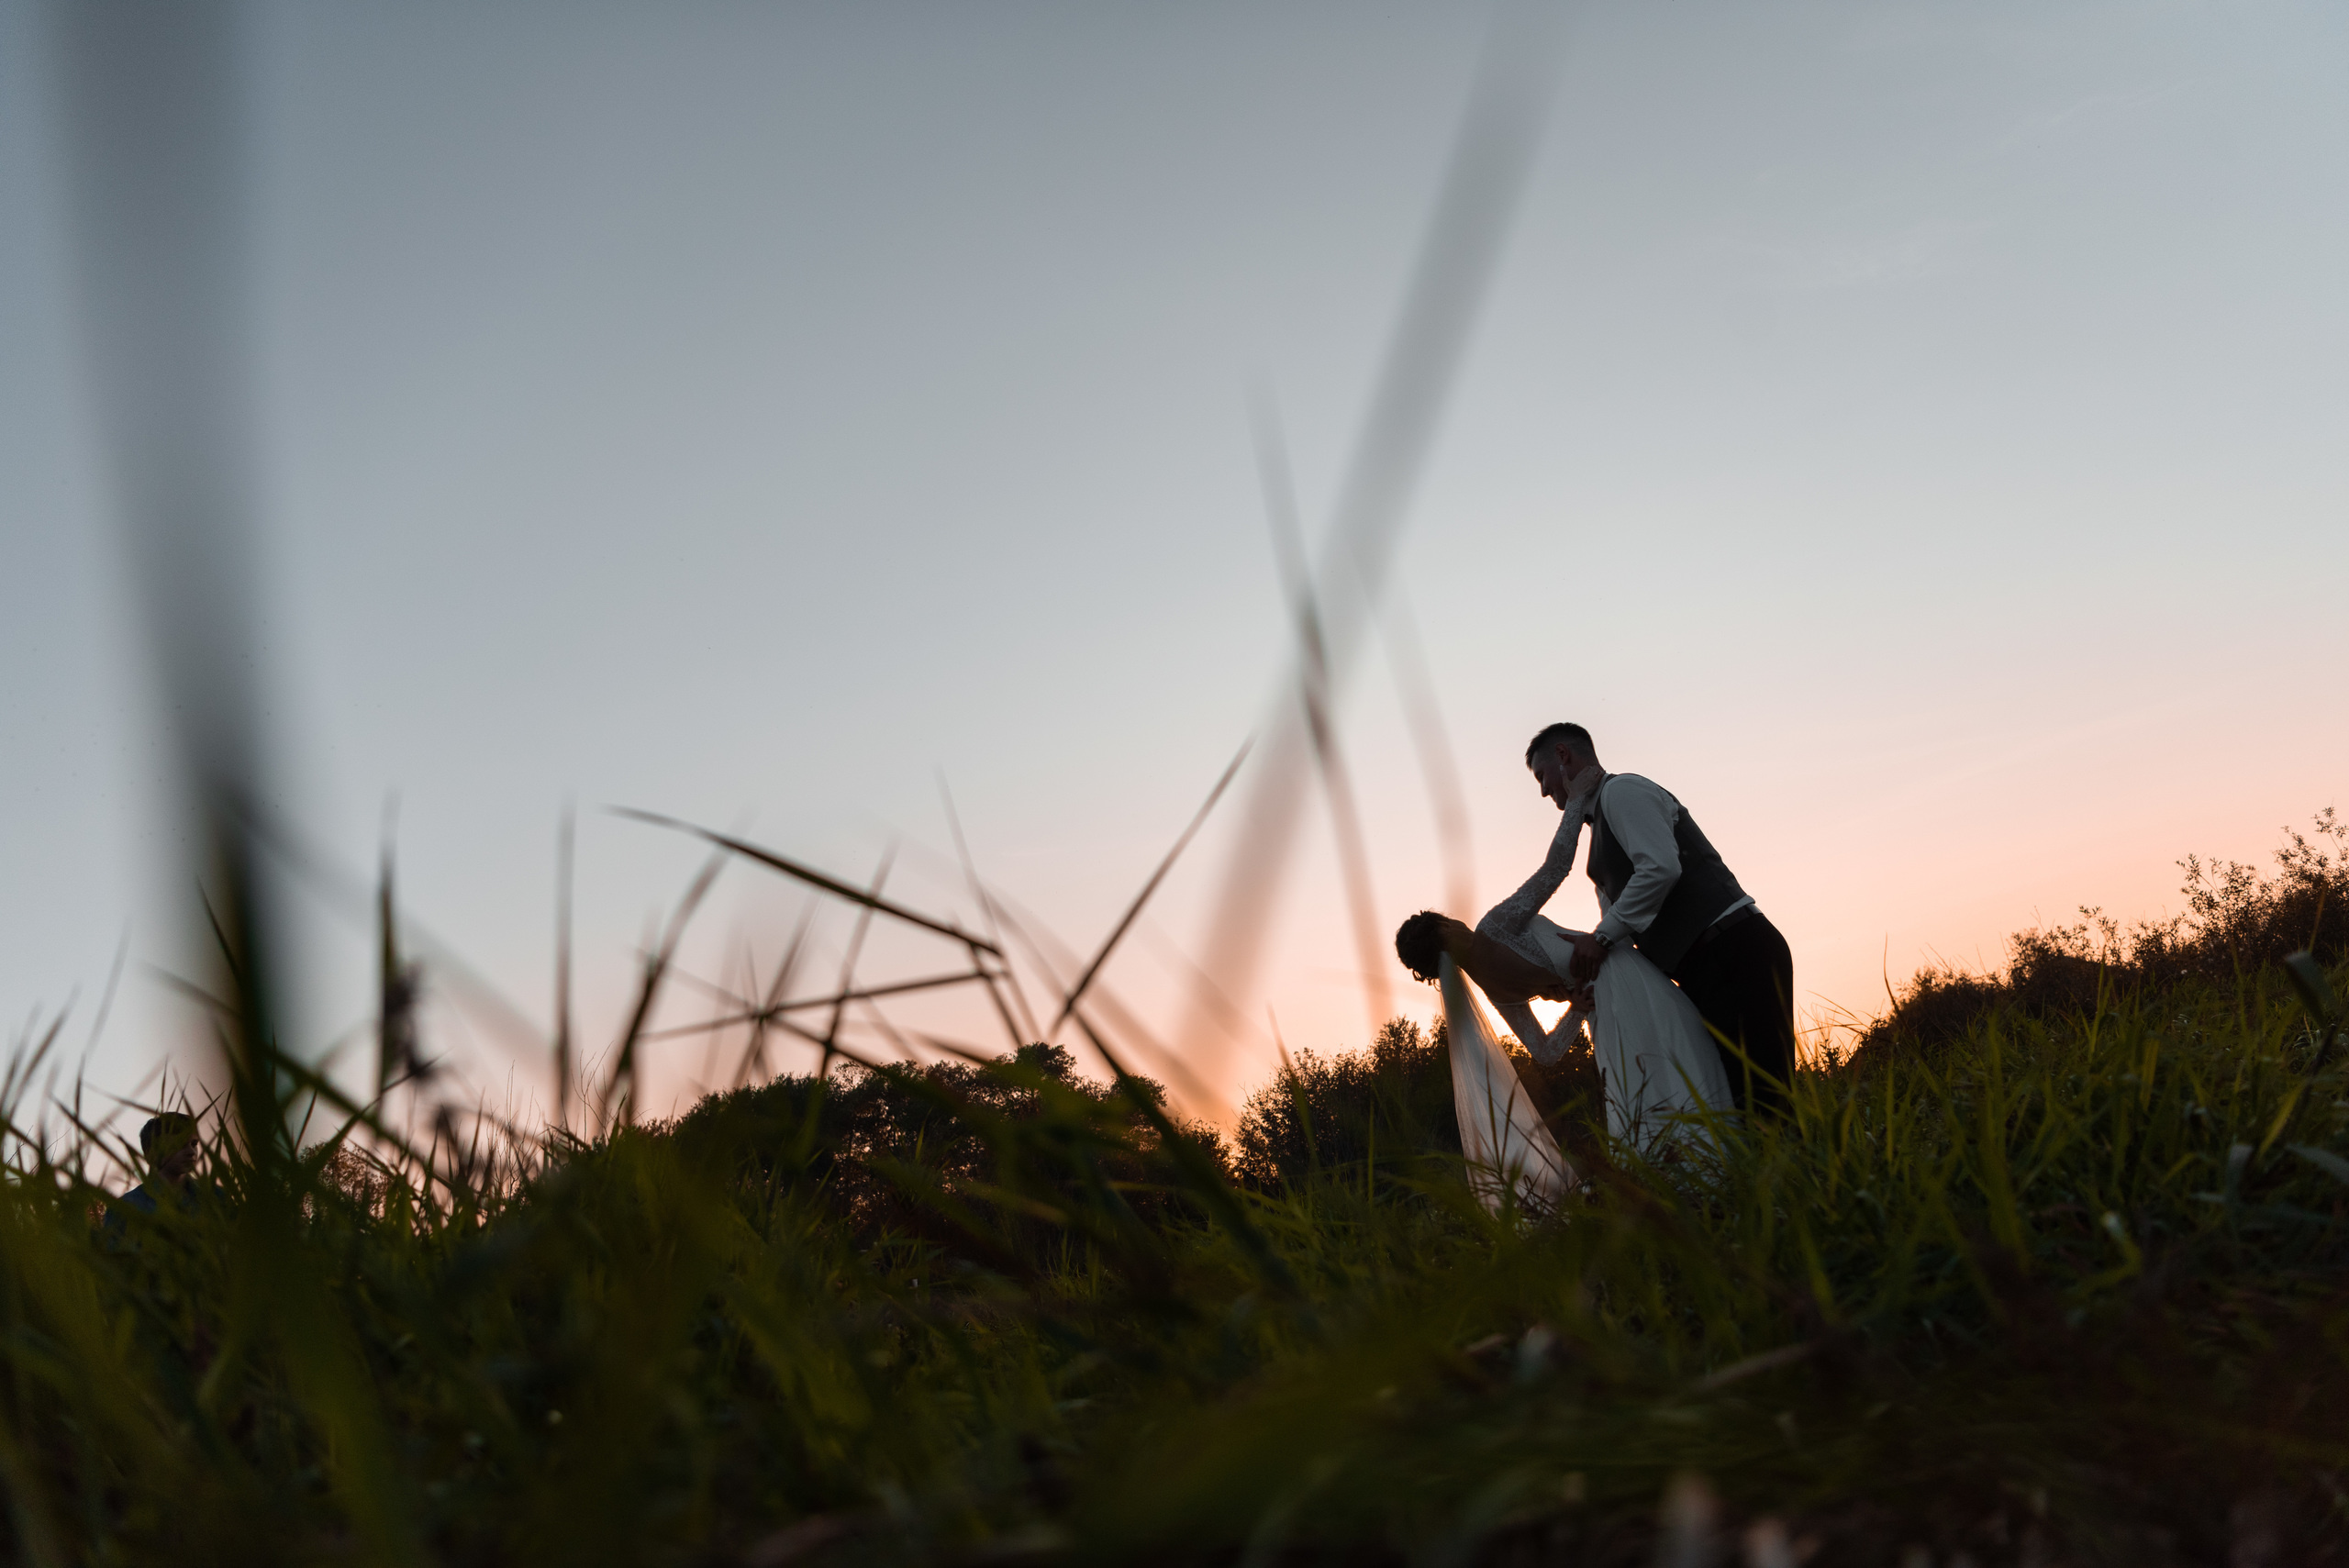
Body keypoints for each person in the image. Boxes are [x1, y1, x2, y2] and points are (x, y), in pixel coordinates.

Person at [1493, 722, 1798, 1117]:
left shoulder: (1622, 792)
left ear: (1564, 755)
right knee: (1739, 1104)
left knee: (1769, 1101)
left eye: (1542, 776)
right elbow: (1623, 933)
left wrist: (1599, 939)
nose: (1543, 790)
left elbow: (1659, 868)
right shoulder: (1598, 833)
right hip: (1703, 970)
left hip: (1734, 949)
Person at [106, 1112, 201, 1228]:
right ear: (151, 1153)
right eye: (179, 1144)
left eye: (194, 1144)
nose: (191, 1152)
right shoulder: (125, 1208)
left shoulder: (217, 1198)